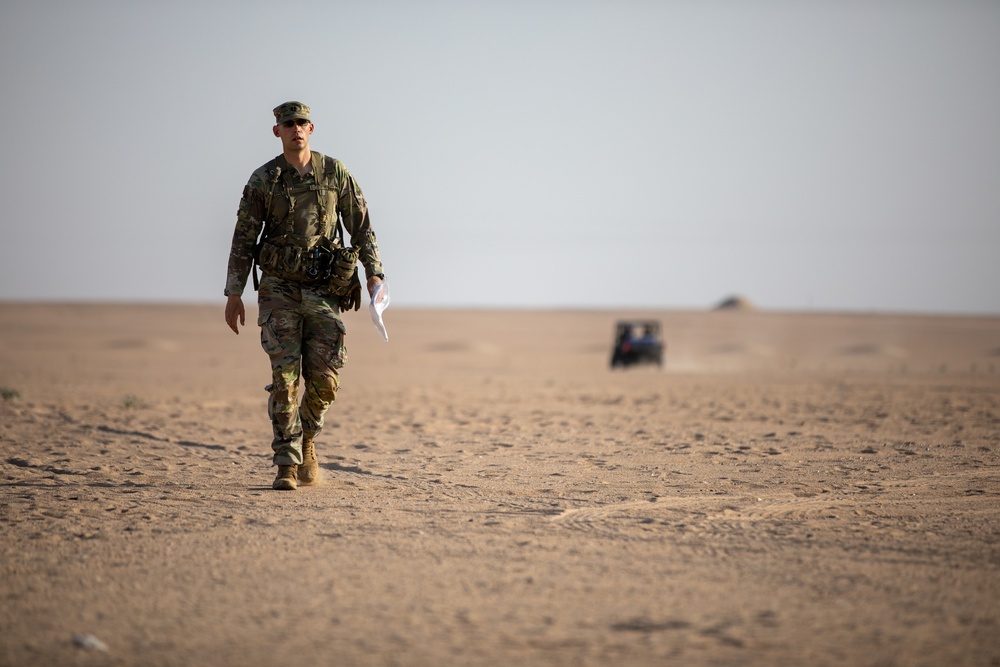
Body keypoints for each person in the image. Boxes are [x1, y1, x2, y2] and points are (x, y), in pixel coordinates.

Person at [224, 101, 385, 491]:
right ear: (277, 131)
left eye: (301, 123)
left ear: (311, 128)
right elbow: (244, 237)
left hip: (324, 289)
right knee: (284, 377)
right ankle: (286, 461)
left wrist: (374, 273)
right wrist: (234, 292)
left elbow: (361, 226)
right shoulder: (264, 179)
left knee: (326, 379)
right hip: (279, 287)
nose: (295, 129)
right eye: (287, 124)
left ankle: (308, 437)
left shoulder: (334, 173)